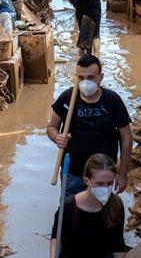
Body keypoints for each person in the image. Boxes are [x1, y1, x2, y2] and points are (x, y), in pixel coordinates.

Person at [47, 54, 132, 197]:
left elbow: (127, 138)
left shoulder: (112, 101)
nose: (85, 82)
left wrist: (122, 174)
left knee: (100, 212)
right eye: (81, 78)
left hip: (103, 175)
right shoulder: (67, 98)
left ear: (101, 77)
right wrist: (57, 137)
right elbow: (51, 127)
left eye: (91, 78)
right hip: (73, 171)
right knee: (70, 212)